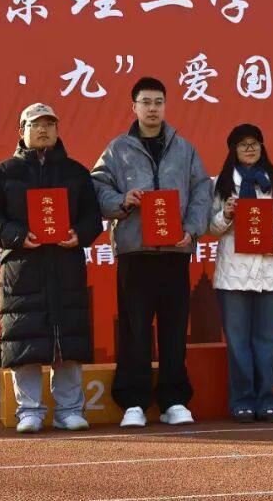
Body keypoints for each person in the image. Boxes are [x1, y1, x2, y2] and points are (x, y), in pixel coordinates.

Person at [0, 103, 104, 433]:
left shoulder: (76, 173)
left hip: (66, 268)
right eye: (35, 124)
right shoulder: (2, 174)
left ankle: (69, 410)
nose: (43, 129)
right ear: (22, 131)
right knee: (25, 340)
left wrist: (80, 234)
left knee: (66, 342)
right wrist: (15, 235)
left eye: (49, 124)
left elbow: (93, 216)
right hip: (22, 270)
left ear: (58, 130)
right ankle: (29, 411)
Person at [91, 77, 213, 428]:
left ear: (165, 105)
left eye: (158, 102)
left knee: (174, 329)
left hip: (175, 252)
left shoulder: (184, 149)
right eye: (146, 102)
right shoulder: (117, 149)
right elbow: (96, 186)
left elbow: (201, 190)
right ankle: (134, 401)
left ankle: (174, 399)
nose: (153, 108)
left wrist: (191, 229)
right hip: (136, 253)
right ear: (134, 107)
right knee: (136, 330)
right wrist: (121, 201)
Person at [208, 124, 273, 423]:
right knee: (237, 342)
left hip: (270, 271)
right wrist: (226, 214)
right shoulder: (221, 184)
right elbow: (209, 227)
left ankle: (267, 400)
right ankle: (242, 400)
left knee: (267, 341)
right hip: (233, 273)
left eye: (255, 143)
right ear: (233, 150)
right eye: (243, 144)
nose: (250, 149)